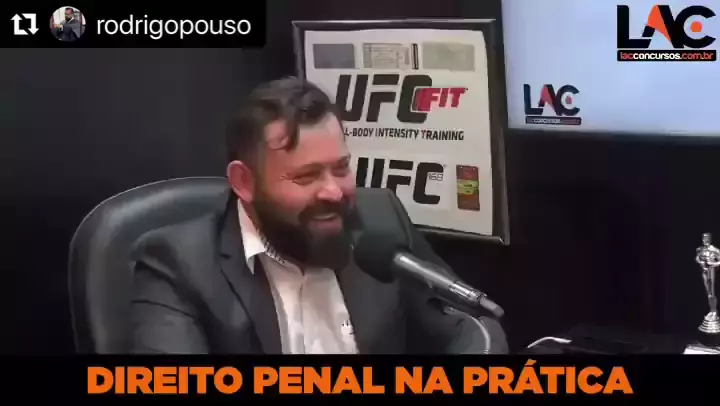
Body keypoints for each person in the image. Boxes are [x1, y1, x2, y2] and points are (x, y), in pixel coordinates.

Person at [131, 77, 507, 354]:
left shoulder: (378, 219)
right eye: (306, 176)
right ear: (244, 182)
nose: (333, 191)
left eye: (341, 168)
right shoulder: (179, 262)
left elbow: (469, 327)